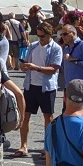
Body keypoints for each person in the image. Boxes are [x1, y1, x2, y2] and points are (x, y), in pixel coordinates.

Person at [19, 21, 63, 156]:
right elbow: (26, 63)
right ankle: (23, 146)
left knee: (48, 118)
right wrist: (24, 66)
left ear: (50, 35)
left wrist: (35, 67)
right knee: (25, 116)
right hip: (30, 85)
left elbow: (54, 69)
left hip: (47, 87)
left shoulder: (56, 48)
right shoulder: (32, 46)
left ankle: (47, 148)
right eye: (38, 36)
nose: (40, 39)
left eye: (43, 36)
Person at [59, 24, 83, 120]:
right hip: (69, 86)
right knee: (67, 113)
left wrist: (74, 60)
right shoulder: (66, 48)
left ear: (73, 33)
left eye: (65, 34)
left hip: (82, 87)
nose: (63, 36)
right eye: (61, 34)